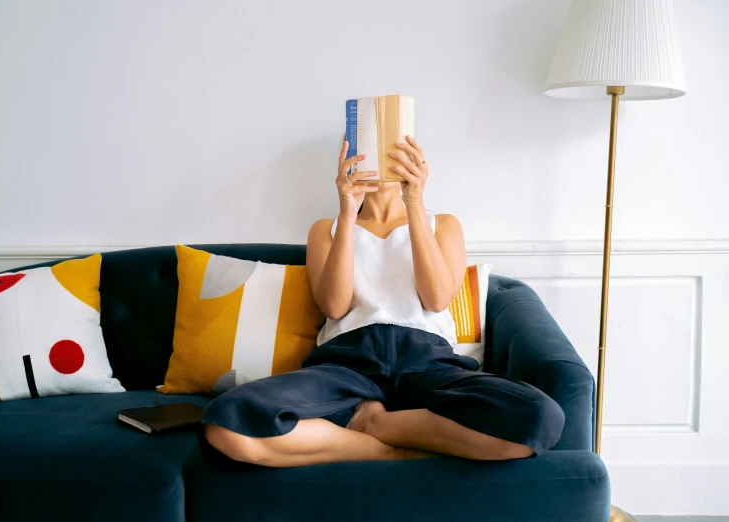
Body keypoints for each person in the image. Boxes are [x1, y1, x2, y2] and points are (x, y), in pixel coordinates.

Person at [201, 136, 564, 467]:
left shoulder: (443, 224)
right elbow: (334, 306)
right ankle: (386, 447)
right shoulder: (325, 228)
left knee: (539, 416)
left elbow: (437, 299)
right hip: (346, 362)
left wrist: (414, 204)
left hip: (428, 360)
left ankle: (377, 424)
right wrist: (347, 213)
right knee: (226, 423)